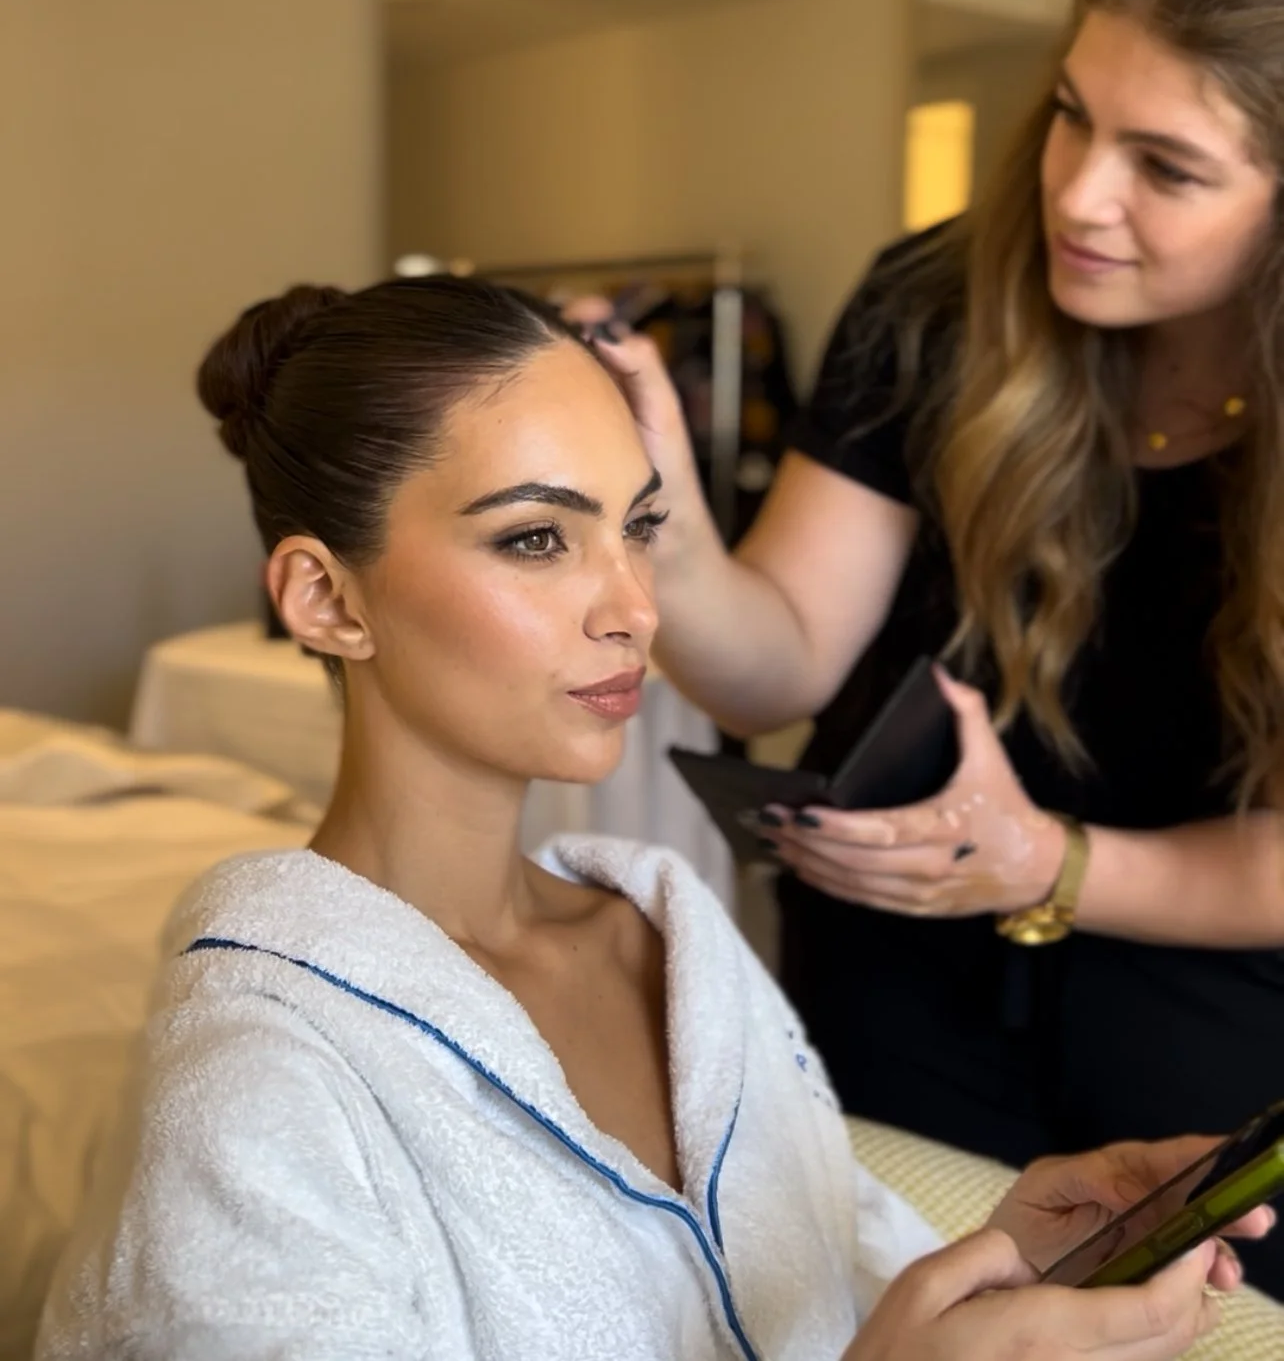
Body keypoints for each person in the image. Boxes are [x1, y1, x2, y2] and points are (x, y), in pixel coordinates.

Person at [36, 275, 1257, 1359]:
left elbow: (808, 1277)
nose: (633, 605)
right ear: (323, 596)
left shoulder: (671, 941)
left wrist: (997, 1259)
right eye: (534, 538)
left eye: (640, 527)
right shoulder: (262, 1088)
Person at [568, 0, 1284, 1301]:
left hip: (1205, 1035)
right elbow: (775, 664)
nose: (1078, 193)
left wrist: (1046, 866)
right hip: (889, 988)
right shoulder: (933, 304)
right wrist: (662, 513)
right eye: (1075, 113)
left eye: (1168, 167)